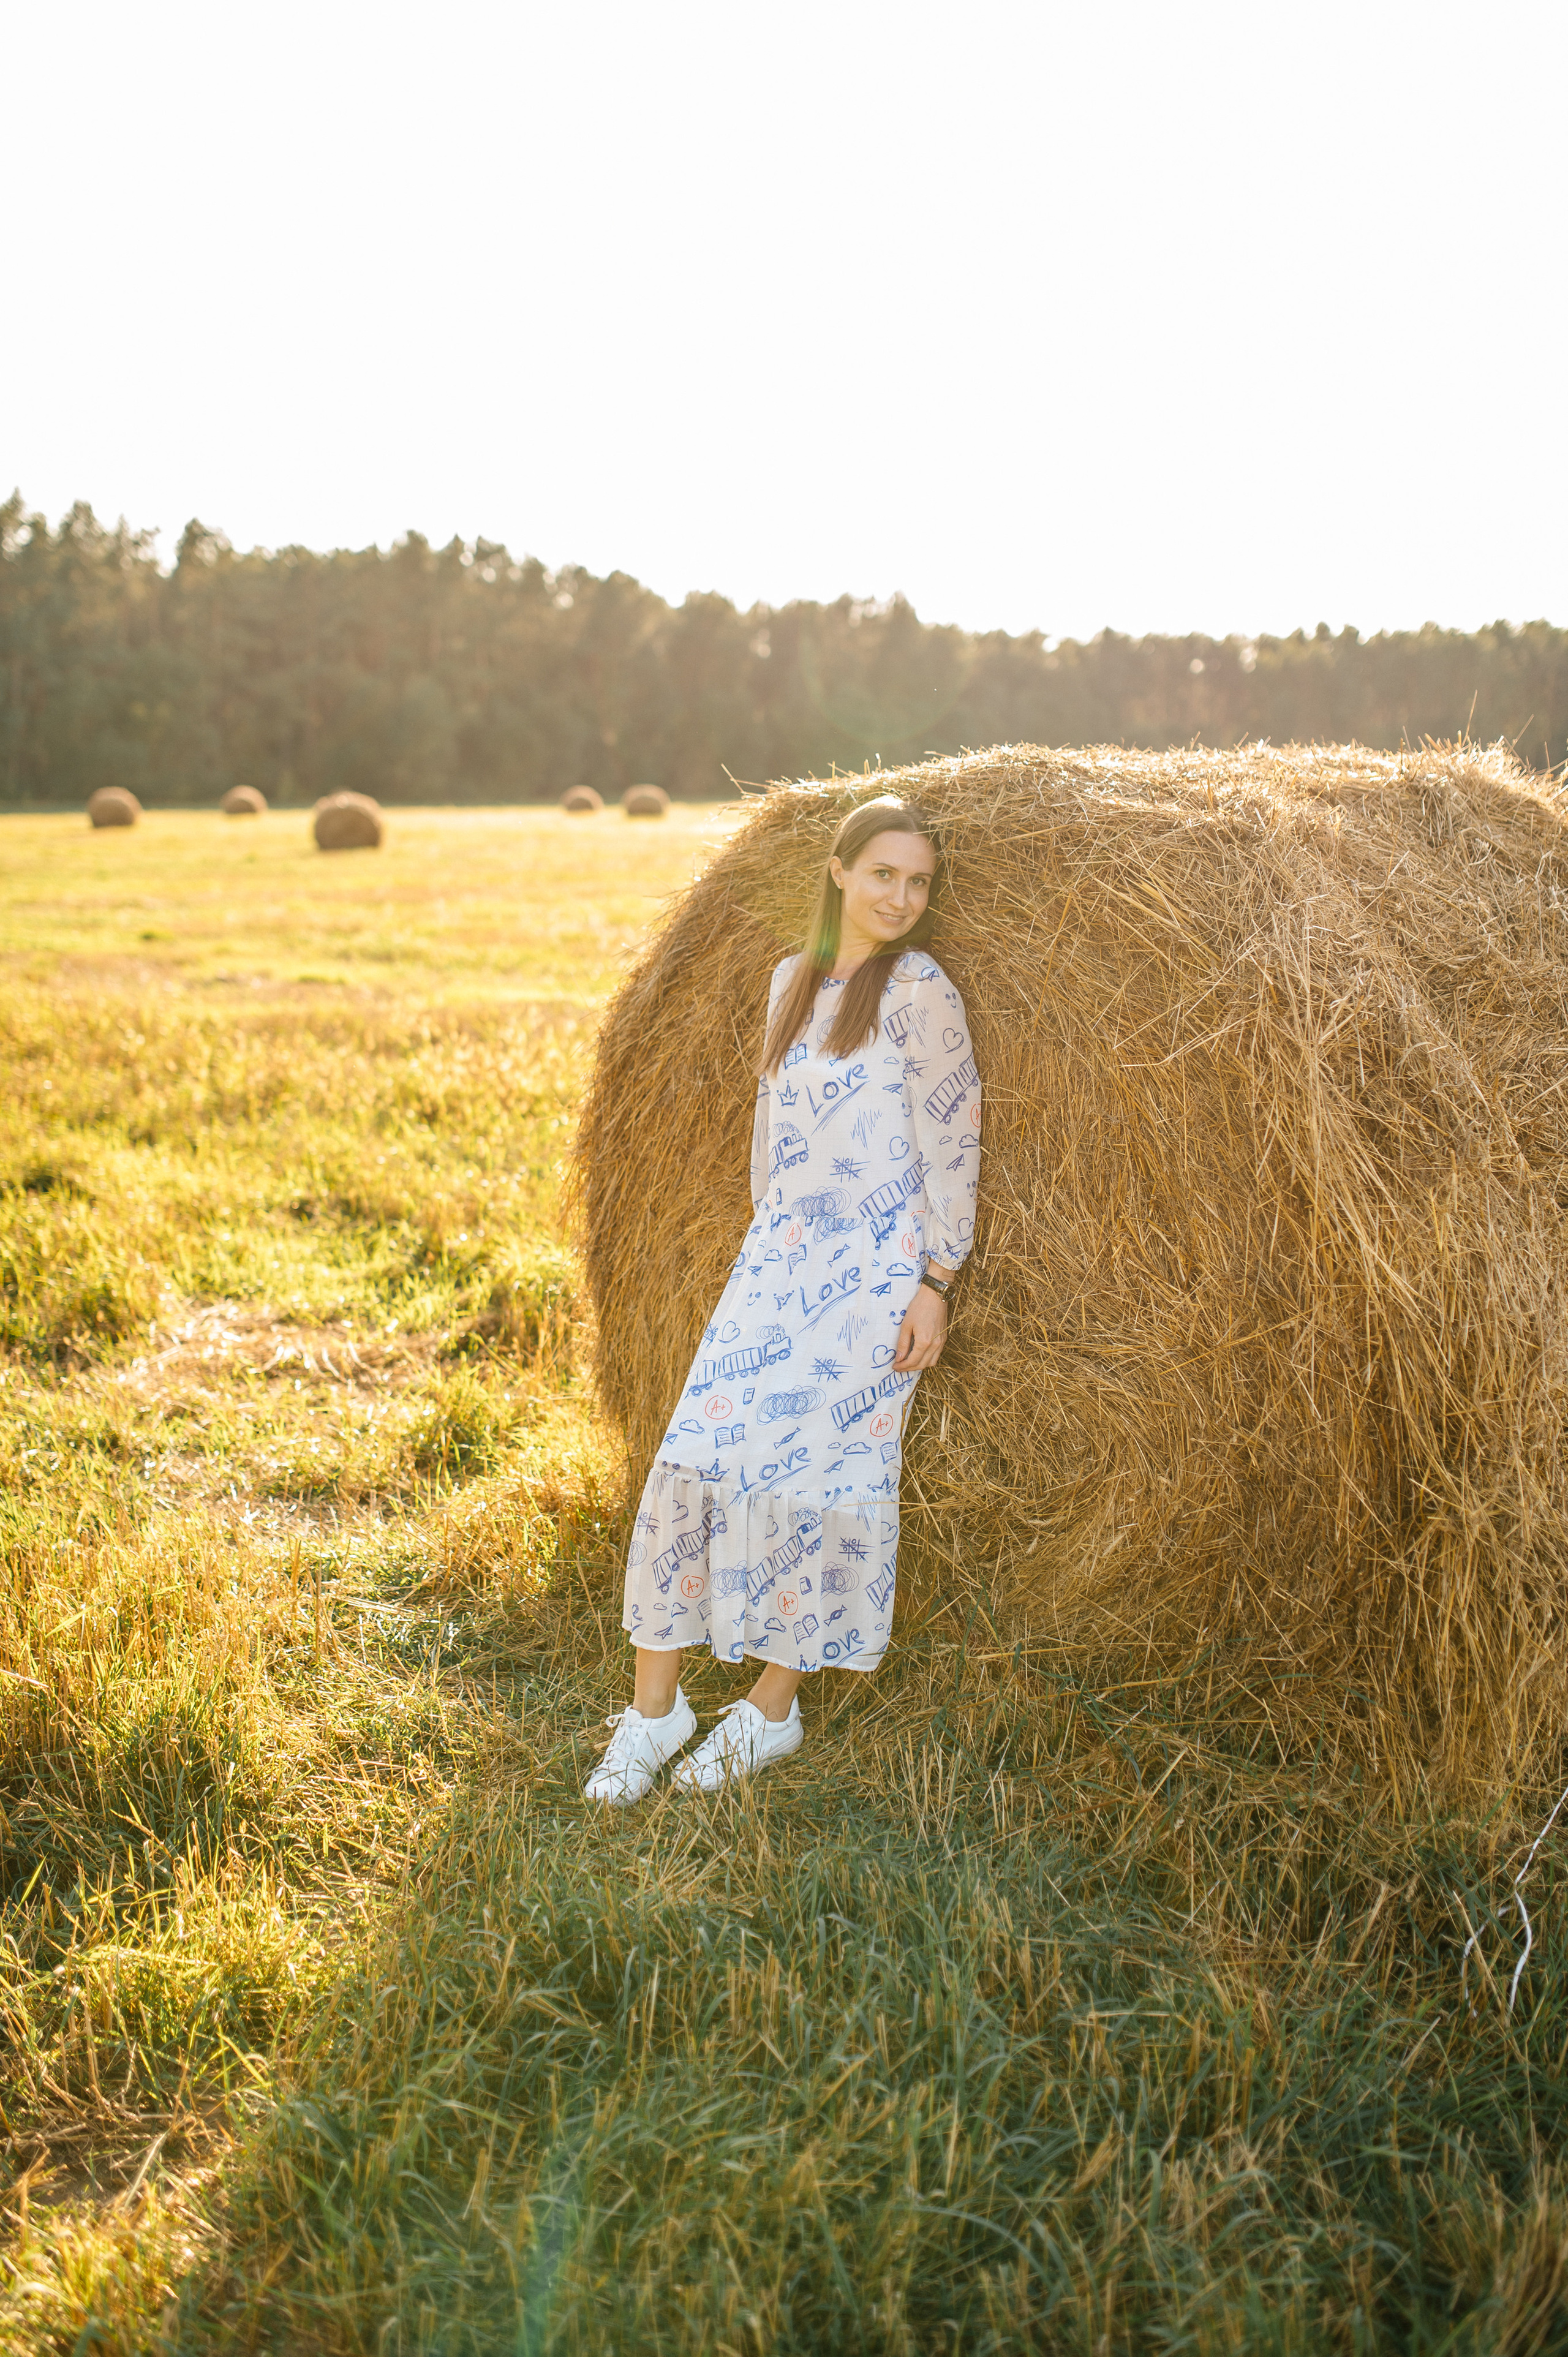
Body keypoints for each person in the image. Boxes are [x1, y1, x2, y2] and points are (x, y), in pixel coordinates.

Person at [585, 795, 981, 1801]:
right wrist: (771, 1246)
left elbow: (953, 1143)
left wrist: (937, 1279)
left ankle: (771, 1708)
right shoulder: (787, 983)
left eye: (918, 882)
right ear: (840, 872)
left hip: (877, 1269)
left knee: (821, 1479)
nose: (900, 896)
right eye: (883, 873)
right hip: (779, 1259)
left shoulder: (922, 990)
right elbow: (770, 1136)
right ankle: (653, 1710)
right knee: (695, 1455)